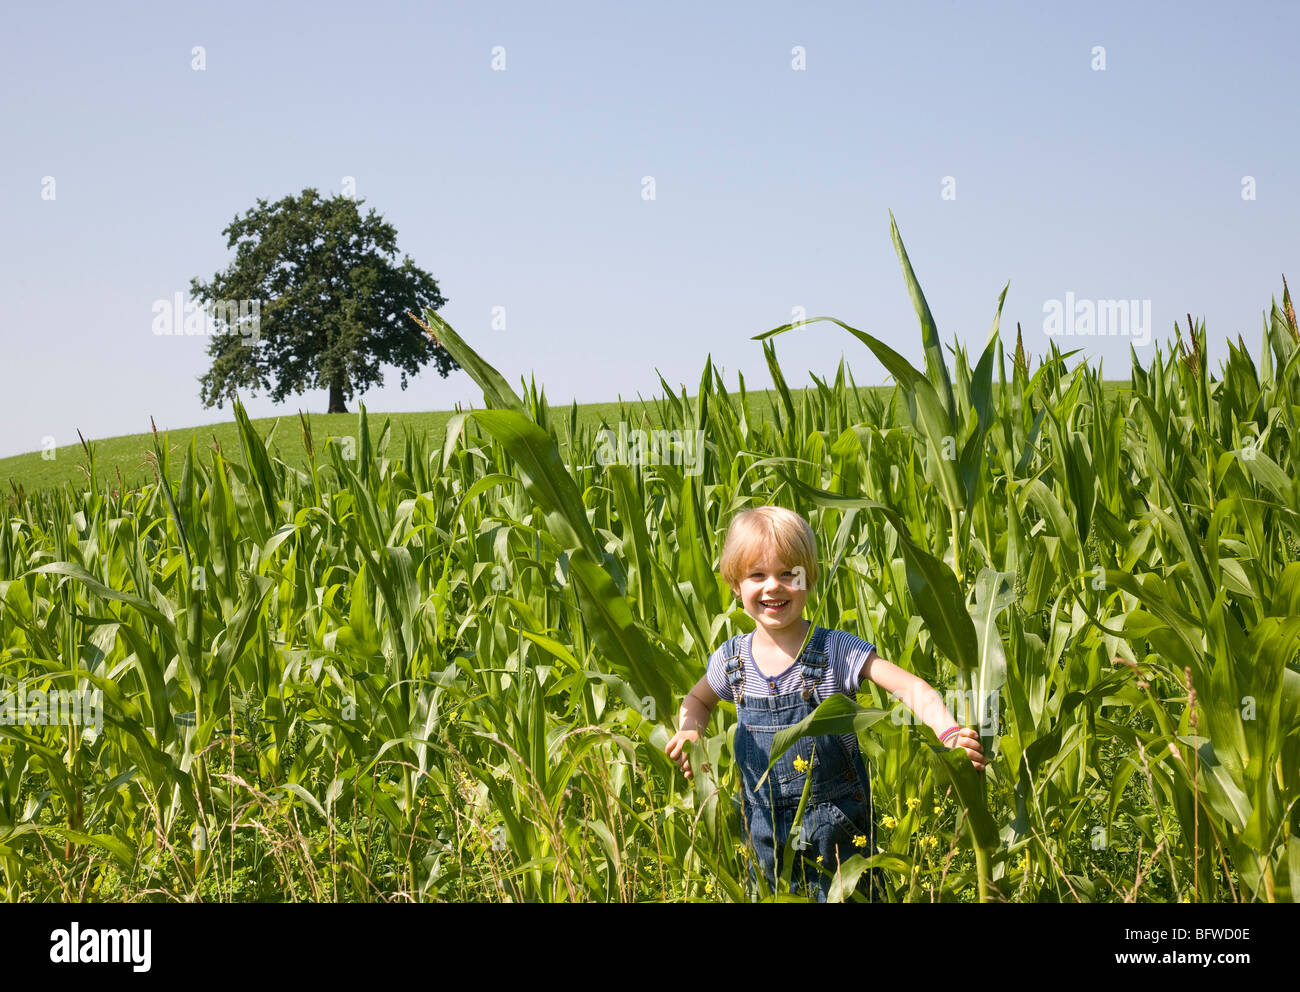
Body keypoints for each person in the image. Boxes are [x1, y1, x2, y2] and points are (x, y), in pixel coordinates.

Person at [664, 505, 987, 902]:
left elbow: (911, 687)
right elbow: (698, 700)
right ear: (735, 584)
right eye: (757, 575)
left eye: (787, 574)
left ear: (808, 578)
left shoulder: (835, 650)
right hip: (765, 837)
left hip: (839, 843)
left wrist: (950, 733)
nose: (773, 587)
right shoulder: (732, 662)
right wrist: (689, 732)